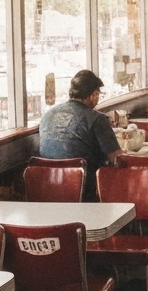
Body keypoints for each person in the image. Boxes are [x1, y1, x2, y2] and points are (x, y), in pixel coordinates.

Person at [38, 69, 122, 200]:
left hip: (47, 188)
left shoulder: (47, 116)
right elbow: (117, 158)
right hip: (86, 191)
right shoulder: (97, 119)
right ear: (94, 94)